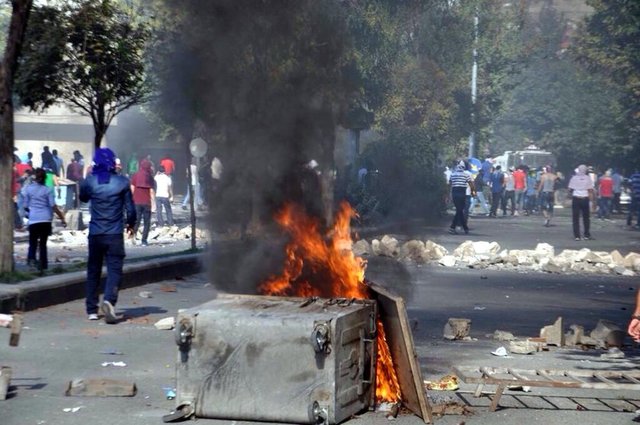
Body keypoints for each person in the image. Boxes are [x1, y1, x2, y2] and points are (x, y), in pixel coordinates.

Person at [79, 148, 136, 324]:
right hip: (114, 233)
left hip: (96, 233)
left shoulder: (91, 181)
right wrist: (131, 224)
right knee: (114, 269)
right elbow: (130, 209)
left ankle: (91, 310)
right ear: (113, 163)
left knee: (93, 270)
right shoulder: (122, 182)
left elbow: (83, 198)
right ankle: (109, 300)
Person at [22, 168, 66, 272]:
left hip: (34, 219)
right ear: (44, 178)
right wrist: (62, 217)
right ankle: (43, 264)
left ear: (34, 177)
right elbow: (53, 206)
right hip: (46, 219)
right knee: (43, 243)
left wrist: (30, 213)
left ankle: (32, 260)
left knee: (32, 242)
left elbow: (25, 206)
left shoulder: (29, 189)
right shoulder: (48, 189)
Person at [568, 164, 596, 241]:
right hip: (585, 199)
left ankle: (577, 236)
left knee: (575, 218)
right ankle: (586, 235)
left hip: (576, 199)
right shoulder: (588, 178)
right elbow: (590, 190)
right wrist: (592, 202)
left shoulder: (574, 178)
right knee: (586, 218)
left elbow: (569, 189)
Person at [130, 159, 154, 246]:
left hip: (136, 202)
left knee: (137, 220)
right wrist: (153, 204)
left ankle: (133, 234)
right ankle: (144, 241)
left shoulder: (135, 175)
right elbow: (151, 191)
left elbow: (132, 188)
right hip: (146, 203)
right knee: (147, 222)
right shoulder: (149, 177)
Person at [448, 160, 475, 234]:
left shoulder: (452, 175)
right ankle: (454, 227)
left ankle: (463, 228)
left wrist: (448, 195)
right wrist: (473, 193)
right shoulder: (466, 175)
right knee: (460, 210)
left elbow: (449, 185)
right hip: (462, 194)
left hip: (454, 194)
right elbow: (471, 184)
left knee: (459, 210)